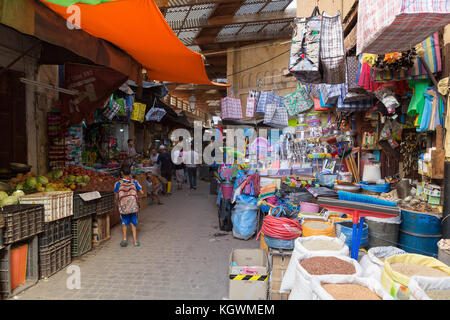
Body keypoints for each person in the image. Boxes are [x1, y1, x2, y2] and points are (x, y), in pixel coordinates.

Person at [114, 165, 144, 247]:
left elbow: (116, 196)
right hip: (133, 206)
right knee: (133, 223)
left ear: (121, 173)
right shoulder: (134, 182)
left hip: (124, 207)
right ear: (130, 172)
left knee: (124, 222)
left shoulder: (118, 184)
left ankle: (124, 239)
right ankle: (135, 242)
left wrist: (117, 201)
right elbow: (142, 192)